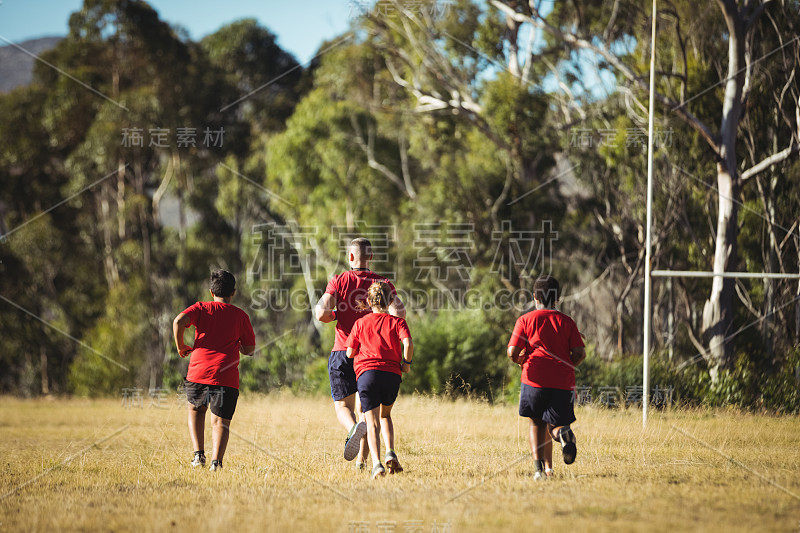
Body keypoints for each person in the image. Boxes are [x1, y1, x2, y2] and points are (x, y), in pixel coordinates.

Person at [315, 238, 406, 468]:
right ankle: (362, 462)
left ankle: (352, 428)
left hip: (343, 350)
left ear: (351, 257)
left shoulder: (339, 280)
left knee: (342, 406)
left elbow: (321, 313)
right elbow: (400, 313)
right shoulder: (381, 283)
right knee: (369, 411)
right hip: (371, 356)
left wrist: (337, 315)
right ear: (371, 257)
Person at [173, 269, 256, 471]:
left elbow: (178, 321)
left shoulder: (201, 308)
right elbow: (250, 349)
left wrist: (181, 346)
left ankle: (198, 456)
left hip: (198, 372)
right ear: (233, 292)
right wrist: (240, 346)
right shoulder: (240, 316)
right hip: (225, 376)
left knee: (196, 409)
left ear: (211, 292)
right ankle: (216, 463)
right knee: (220, 421)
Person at [507, 275, 586, 480]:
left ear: (535, 297)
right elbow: (579, 353)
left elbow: (512, 350)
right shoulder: (567, 322)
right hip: (562, 383)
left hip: (535, 380)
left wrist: (519, 360)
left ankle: (538, 470)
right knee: (556, 425)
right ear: (557, 298)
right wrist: (568, 365)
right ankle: (564, 435)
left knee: (536, 424)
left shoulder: (525, 320)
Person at [345, 281, 413, 479]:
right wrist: (406, 363)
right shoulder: (398, 322)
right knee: (386, 416)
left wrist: (358, 350)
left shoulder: (360, 323)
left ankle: (376, 464)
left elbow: (349, 353)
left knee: (371, 421)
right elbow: (408, 343)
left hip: (368, 375)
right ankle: (390, 451)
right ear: (391, 301)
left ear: (368, 301)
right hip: (392, 375)